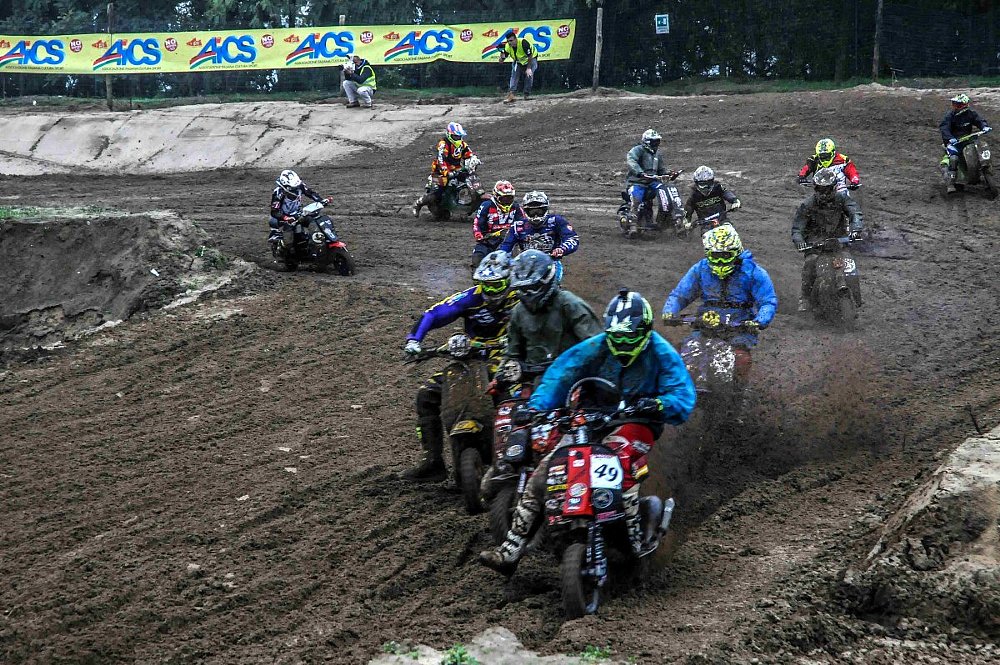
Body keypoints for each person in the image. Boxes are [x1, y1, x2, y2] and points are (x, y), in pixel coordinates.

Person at [479, 289, 696, 574]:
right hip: (590, 416)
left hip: (637, 420)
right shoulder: (595, 346)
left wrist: (657, 403)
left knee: (618, 464)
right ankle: (511, 548)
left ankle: (633, 535)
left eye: (629, 338)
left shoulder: (661, 353)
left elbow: (683, 395)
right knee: (545, 473)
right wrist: (536, 407)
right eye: (615, 337)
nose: (621, 344)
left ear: (644, 333)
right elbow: (560, 374)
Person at [402, 252, 518, 482]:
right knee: (426, 395)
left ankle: (515, 460)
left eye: (496, 286)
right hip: (472, 358)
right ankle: (432, 461)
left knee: (511, 397)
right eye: (484, 285)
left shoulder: (522, 298)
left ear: (509, 280)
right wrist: (414, 340)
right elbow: (435, 313)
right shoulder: (472, 297)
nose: (489, 291)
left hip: (510, 359)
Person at [661, 225, 777, 382]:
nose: (720, 261)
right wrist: (670, 311)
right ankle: (680, 391)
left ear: (736, 252)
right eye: (716, 256)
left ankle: (739, 395)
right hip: (705, 323)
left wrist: (759, 321)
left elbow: (768, 301)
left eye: (725, 255)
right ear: (708, 254)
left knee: (741, 359)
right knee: (682, 354)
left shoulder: (753, 272)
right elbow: (680, 294)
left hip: (739, 326)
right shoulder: (701, 269)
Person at [791, 167, 864, 312]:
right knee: (810, 263)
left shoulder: (842, 199)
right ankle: (805, 298)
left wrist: (856, 228)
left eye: (826, 190)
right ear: (815, 189)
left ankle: (856, 296)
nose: (823, 194)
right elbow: (797, 228)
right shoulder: (807, 205)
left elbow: (855, 212)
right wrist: (800, 242)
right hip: (816, 245)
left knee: (850, 264)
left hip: (839, 242)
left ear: (834, 188)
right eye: (820, 189)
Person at [499, 191, 579, 281]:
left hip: (551, 263)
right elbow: (505, 247)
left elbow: (572, 238)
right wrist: (499, 258)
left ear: (545, 209)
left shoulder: (556, 221)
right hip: (525, 265)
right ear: (526, 211)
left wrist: (562, 249)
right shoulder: (518, 226)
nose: (536, 215)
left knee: (552, 290)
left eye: (539, 211)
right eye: (532, 212)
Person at [623, 129, 683, 238]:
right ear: (647, 142)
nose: (656, 144)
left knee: (669, 190)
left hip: (652, 182)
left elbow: (661, 170)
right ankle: (633, 224)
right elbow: (631, 161)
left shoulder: (657, 154)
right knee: (636, 197)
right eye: (654, 142)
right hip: (637, 182)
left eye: (657, 142)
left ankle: (672, 218)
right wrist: (640, 172)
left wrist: (670, 174)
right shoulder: (637, 150)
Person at [413, 122, 479, 217]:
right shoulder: (443, 144)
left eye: (459, 136)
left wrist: (473, 160)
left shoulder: (462, 145)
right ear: (449, 135)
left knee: (470, 178)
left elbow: (469, 154)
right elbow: (441, 160)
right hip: (440, 171)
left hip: (456, 169)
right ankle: (418, 204)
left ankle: (467, 201)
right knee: (437, 192)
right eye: (456, 136)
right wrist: (446, 172)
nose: (458, 138)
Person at [940, 93, 992, 193]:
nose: (955, 106)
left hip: (968, 139)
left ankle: (985, 172)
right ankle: (950, 183)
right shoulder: (950, 116)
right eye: (954, 104)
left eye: (958, 104)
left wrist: (984, 126)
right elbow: (944, 128)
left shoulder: (971, 114)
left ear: (964, 104)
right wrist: (950, 138)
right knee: (954, 159)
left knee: (980, 149)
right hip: (954, 142)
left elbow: (979, 120)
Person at [268, 169, 332, 245]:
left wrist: (321, 201)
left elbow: (310, 193)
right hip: (284, 217)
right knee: (288, 242)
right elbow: (274, 211)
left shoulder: (300, 185)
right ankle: (277, 238)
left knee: (313, 221)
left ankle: (318, 240)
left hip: (298, 214)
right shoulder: (278, 193)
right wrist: (286, 218)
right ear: (286, 186)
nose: (296, 189)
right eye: (294, 188)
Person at [472, 180, 524, 266]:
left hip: (508, 240)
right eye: (504, 198)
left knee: (513, 260)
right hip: (488, 239)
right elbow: (477, 222)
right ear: (496, 196)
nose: (507, 201)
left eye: (509, 198)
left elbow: (523, 222)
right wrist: (478, 234)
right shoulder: (486, 206)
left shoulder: (516, 207)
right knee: (477, 258)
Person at [684, 166, 741, 233]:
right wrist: (686, 223)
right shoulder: (694, 195)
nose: (705, 188)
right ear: (696, 183)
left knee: (730, 232)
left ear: (712, 182)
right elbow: (687, 211)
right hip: (706, 225)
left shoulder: (718, 188)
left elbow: (727, 193)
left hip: (722, 220)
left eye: (707, 184)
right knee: (707, 235)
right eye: (702, 185)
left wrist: (735, 201)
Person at [797, 138, 861, 193]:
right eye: (821, 157)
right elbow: (805, 169)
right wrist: (801, 177)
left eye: (826, 156)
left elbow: (852, 172)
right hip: (820, 191)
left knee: (850, 206)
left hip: (840, 191)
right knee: (805, 206)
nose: (824, 159)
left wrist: (854, 182)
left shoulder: (843, 160)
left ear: (833, 152)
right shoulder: (813, 160)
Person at [498, 30, 537, 103]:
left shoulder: (523, 43)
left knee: (529, 75)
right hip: (518, 61)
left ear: (515, 39)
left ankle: (526, 94)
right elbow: (502, 60)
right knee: (514, 76)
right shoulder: (507, 46)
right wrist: (501, 54)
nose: (510, 42)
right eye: (508, 41)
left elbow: (530, 55)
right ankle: (511, 95)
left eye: (511, 40)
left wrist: (528, 68)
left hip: (531, 59)